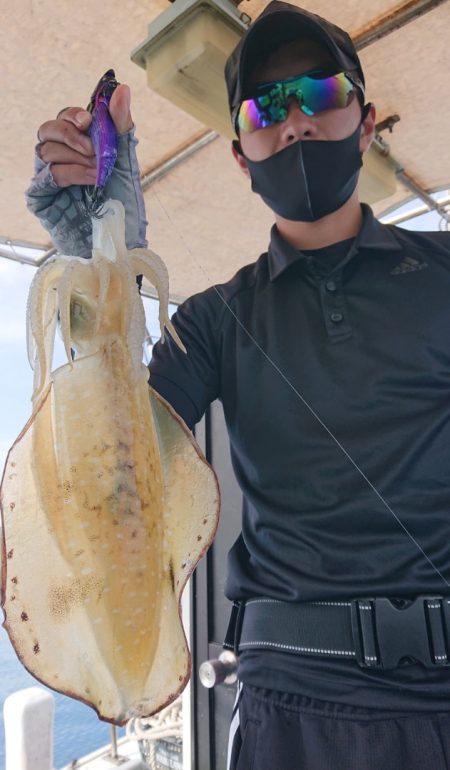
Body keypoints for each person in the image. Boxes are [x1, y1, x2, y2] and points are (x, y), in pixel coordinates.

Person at [26, 2, 450, 768]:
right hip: (294, 705)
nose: (294, 123)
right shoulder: (213, 322)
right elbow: (119, 483)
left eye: (318, 95)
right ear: (240, 154)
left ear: (365, 116)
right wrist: (101, 260)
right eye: (266, 108)